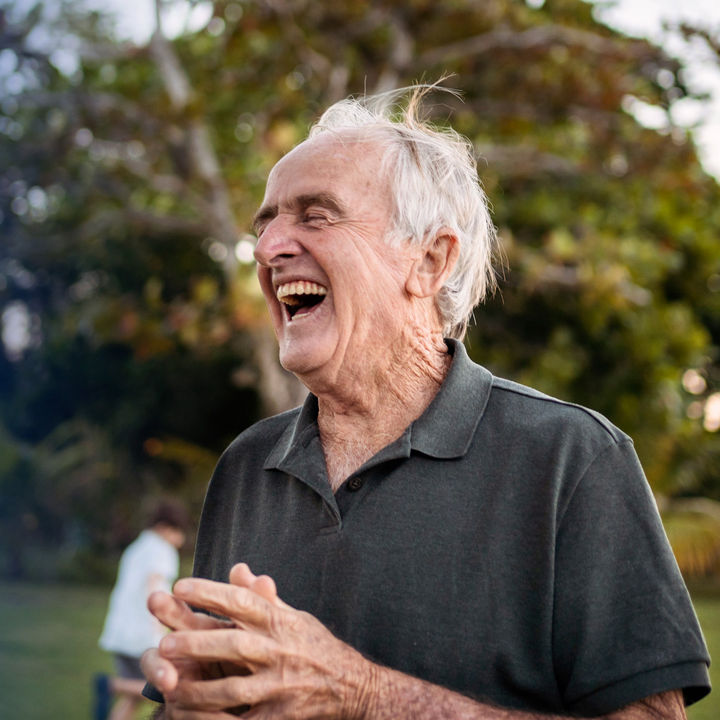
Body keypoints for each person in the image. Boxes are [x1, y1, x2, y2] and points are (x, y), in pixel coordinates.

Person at [141, 86, 711, 719]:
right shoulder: (247, 465)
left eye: (316, 215)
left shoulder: (571, 458)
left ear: (430, 261)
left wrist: (362, 695)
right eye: (266, 223)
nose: (270, 247)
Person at [94, 499, 189, 720]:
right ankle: (109, 685)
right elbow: (154, 588)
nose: (180, 539)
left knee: (133, 697)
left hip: (121, 631)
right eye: (179, 532)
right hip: (142, 634)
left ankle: (114, 688)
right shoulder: (162, 549)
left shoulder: (137, 547)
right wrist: (160, 626)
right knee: (163, 691)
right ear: (165, 528)